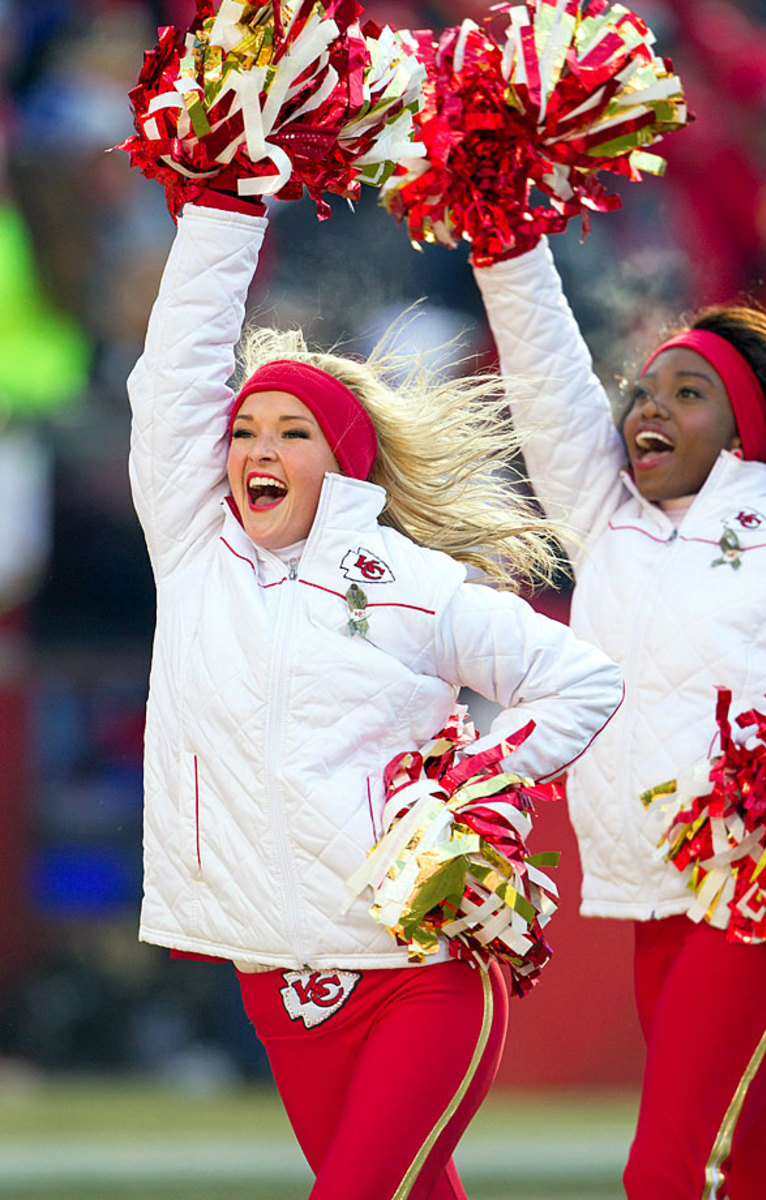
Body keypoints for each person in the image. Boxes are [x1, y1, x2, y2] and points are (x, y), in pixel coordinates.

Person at [126, 185, 624, 1200]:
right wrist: (223, 204)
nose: (257, 449)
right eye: (244, 430)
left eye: (291, 432)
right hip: (273, 968)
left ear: (343, 461)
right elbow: (170, 380)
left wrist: (471, 786)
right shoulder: (193, 551)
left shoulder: (409, 583)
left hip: (422, 966)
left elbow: (580, 678)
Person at [472, 234, 766, 1198]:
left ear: (745, 431)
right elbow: (544, 373)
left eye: (687, 394)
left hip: (757, 893)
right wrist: (504, 239)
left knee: (664, 1170)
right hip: (651, 892)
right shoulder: (607, 522)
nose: (649, 409)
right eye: (643, 393)